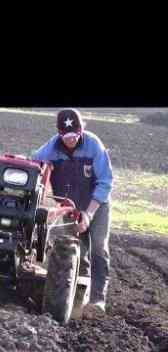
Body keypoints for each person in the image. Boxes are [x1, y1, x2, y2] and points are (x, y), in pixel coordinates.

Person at [32, 108, 113, 313]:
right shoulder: (52, 147)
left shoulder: (94, 145)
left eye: (75, 136)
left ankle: (97, 300)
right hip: (69, 205)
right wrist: (42, 166)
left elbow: (105, 182)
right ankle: (76, 300)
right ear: (59, 134)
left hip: (97, 203)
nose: (71, 140)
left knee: (97, 246)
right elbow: (34, 161)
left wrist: (89, 213)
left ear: (81, 130)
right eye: (66, 137)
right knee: (76, 249)